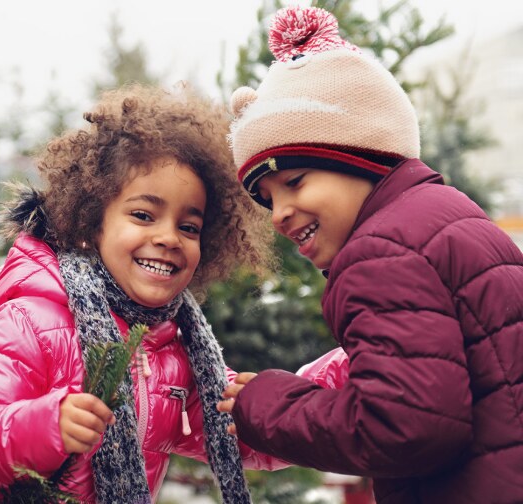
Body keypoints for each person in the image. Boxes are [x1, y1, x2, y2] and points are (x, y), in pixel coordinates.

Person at [0, 84, 344, 503]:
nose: (168, 237)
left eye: (188, 227)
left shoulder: (172, 350)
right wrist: (43, 426)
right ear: (91, 223)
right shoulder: (28, 321)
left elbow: (247, 431)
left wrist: (352, 362)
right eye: (144, 215)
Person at [217, 6, 523, 504]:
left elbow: (405, 428)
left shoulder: (379, 254)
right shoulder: (446, 214)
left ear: (360, 157)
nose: (279, 213)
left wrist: (270, 404)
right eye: (268, 198)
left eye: (294, 182)